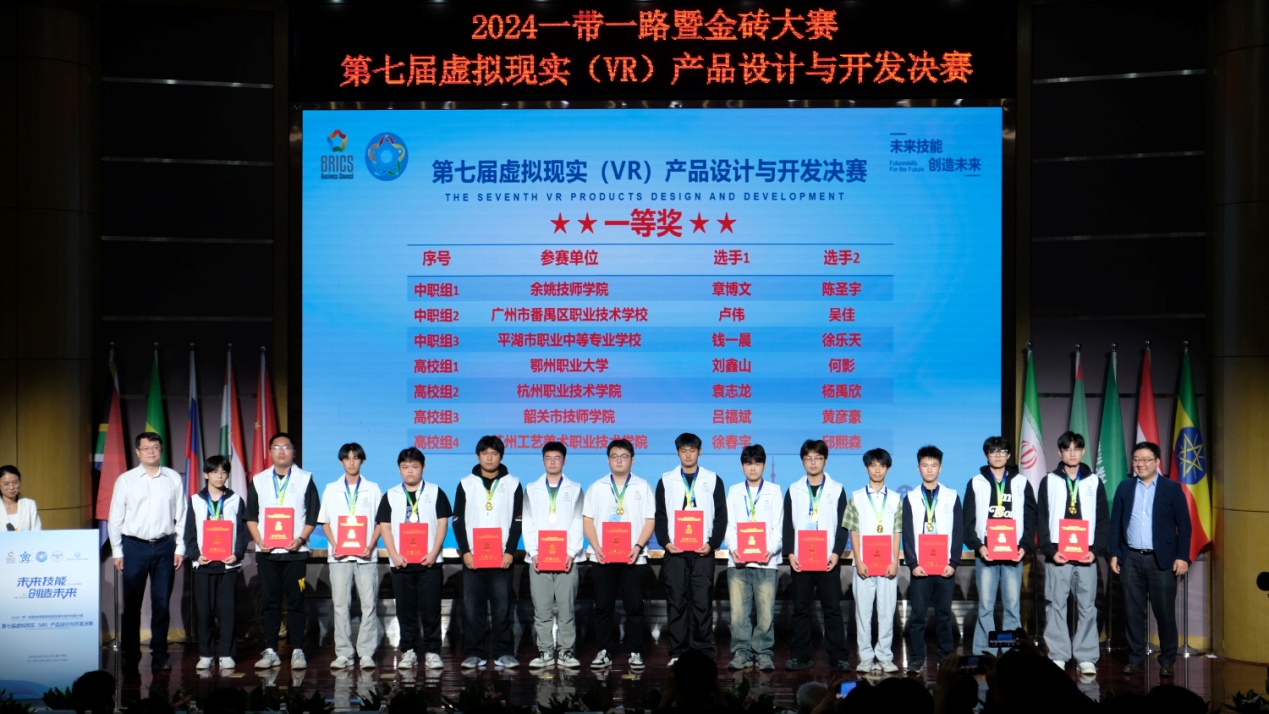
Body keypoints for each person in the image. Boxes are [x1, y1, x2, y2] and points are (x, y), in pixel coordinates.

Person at [107, 432, 188, 675]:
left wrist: (180, 547)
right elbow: (115, 517)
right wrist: (117, 551)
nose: (151, 451)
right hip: (134, 547)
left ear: (161, 450)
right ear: (137, 452)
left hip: (165, 546)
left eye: (155, 447)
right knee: (132, 605)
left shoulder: (173, 478)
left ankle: (160, 655)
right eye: (146, 448)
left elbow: (182, 514)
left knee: (161, 604)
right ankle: (130, 656)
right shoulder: (126, 480)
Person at [1110, 441, 1192, 678]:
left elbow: (1185, 526)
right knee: (1132, 612)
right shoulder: (1125, 487)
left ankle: (1167, 660)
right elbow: (1116, 524)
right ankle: (1135, 658)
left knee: (1164, 612)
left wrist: (1182, 557)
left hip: (1162, 560)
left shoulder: (1172, 488)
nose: (1140, 464)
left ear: (1157, 462)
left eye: (1146, 459)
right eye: (1137, 459)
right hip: (1131, 559)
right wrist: (1115, 553)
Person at [245, 432, 320, 670]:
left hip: (295, 553)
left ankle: (298, 650)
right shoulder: (259, 480)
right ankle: (270, 650)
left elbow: (313, 515)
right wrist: (260, 541)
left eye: (286, 447)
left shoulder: (305, 479)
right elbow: (251, 516)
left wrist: (300, 539)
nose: (281, 451)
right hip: (267, 553)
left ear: (293, 452)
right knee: (270, 602)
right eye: (276, 447)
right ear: (270, 452)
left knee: (296, 601)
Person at [1037, 431, 1108, 675]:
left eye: (1076, 448)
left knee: (1087, 606)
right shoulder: (1049, 481)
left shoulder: (1094, 481)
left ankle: (1086, 657)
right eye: (1067, 449)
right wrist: (1050, 551)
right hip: (1058, 553)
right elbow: (1042, 519)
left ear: (1083, 451)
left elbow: (1103, 520)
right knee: (1056, 604)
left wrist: (1095, 551)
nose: (1072, 453)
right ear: (1060, 453)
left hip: (1086, 554)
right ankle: (1058, 654)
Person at [582, 438, 655, 670]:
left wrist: (638, 546)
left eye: (624, 456)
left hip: (634, 557)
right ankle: (604, 651)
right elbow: (588, 520)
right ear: (608, 460)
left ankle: (635, 651)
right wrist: (596, 546)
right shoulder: (596, 487)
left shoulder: (643, 486)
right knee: (603, 607)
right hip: (603, 557)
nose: (619, 460)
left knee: (635, 607)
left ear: (632, 460)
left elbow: (650, 520)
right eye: (614, 456)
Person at [655, 432, 727, 664]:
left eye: (692, 450)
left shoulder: (713, 479)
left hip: (702, 552)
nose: (688, 454)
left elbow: (721, 516)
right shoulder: (666, 480)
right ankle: (678, 652)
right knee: (676, 603)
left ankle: (703, 652)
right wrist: (665, 542)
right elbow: (660, 516)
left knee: (702, 604)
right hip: (675, 552)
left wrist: (712, 544)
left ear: (700, 451)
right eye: (683, 450)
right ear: (677, 452)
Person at [453, 435, 523, 669]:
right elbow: (457, 520)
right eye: (485, 453)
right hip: (473, 558)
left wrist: (510, 551)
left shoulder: (513, 483)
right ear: (478, 456)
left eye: (494, 453)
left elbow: (518, 520)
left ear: (501, 456)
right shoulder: (466, 483)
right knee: (473, 609)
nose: (489, 458)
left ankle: (503, 652)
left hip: (502, 558)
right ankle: (475, 653)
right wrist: (465, 552)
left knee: (502, 608)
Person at [377, 447, 450, 670]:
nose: (410, 471)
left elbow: (443, 523)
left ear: (423, 468)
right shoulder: (391, 495)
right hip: (402, 563)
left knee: (431, 609)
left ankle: (432, 651)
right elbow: (385, 527)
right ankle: (407, 651)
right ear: (399, 469)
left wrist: (434, 552)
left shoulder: (435, 492)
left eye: (415, 466)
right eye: (405, 467)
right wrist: (394, 555)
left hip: (430, 562)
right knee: (405, 610)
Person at [962, 436, 1037, 656]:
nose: (997, 455)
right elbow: (968, 519)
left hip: (1013, 553)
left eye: (1002, 451)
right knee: (986, 606)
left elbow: (1031, 517)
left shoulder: (1021, 482)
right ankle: (986, 652)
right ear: (986, 455)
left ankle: (1011, 651)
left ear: (1009, 455)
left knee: (1012, 605)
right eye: (993, 451)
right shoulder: (976, 482)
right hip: (986, 552)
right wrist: (978, 546)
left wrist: (1024, 546)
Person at [783, 438, 850, 671]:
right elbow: (787, 524)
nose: (813, 462)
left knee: (832, 609)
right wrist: (790, 553)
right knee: (801, 610)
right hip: (801, 559)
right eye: (808, 458)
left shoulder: (837, 489)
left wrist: (836, 553)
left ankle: (838, 656)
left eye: (818, 458)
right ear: (802, 461)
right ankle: (800, 655)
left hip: (828, 560)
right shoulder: (794, 489)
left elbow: (843, 525)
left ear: (825, 460)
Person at [317, 443, 384, 670]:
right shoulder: (331, 489)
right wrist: (335, 544)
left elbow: (380, 522)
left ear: (362, 460)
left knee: (369, 604)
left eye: (356, 458)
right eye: (348, 458)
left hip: (366, 556)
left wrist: (371, 545)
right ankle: (344, 653)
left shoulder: (373, 488)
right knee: (340, 605)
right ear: (341, 461)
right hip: (339, 557)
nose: (352, 462)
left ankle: (366, 653)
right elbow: (325, 521)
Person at [521, 441, 585, 669]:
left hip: (567, 559)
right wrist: (533, 551)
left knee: (567, 609)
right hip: (539, 559)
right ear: (543, 461)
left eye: (557, 458)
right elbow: (527, 522)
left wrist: (571, 552)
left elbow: (578, 522)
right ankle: (546, 651)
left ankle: (566, 651)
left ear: (564, 461)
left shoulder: (575, 489)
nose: (552, 462)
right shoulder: (531, 489)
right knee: (542, 610)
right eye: (548, 458)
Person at [902, 445, 964, 674]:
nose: (929, 469)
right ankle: (917, 658)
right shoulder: (911, 498)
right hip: (920, 568)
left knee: (944, 616)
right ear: (918, 468)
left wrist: (953, 563)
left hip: (945, 567)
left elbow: (958, 531)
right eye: (925, 465)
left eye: (934, 465)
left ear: (940, 468)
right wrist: (913, 563)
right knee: (917, 617)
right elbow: (907, 533)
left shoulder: (952, 496)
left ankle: (946, 657)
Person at [184, 455, 249, 669]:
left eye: (223, 472)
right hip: (203, 565)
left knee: (228, 611)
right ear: (206, 474)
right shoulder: (195, 500)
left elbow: (242, 533)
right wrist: (196, 555)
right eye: (214, 472)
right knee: (204, 612)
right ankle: (206, 654)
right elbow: (189, 533)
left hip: (228, 565)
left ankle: (227, 654)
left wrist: (237, 554)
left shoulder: (235, 500)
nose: (219, 476)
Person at [723, 444, 783, 671]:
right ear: (742, 466)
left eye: (757, 463)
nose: (753, 467)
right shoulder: (734, 491)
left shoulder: (775, 491)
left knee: (765, 612)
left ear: (764, 466)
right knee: (738, 613)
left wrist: (770, 549)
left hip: (766, 562)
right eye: (748, 463)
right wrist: (733, 548)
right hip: (738, 561)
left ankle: (763, 653)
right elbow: (729, 526)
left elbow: (778, 527)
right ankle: (741, 652)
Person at [845, 448, 903, 674]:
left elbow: (897, 532)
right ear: (866, 468)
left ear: (888, 468)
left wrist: (895, 561)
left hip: (888, 564)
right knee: (863, 613)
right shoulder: (856, 497)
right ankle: (866, 657)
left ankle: (885, 656)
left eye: (882, 465)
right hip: (864, 565)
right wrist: (858, 560)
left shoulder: (896, 498)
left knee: (887, 612)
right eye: (873, 465)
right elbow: (853, 531)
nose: (877, 470)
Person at [0, 465, 40, 531]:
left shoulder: (29, 504)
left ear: (20, 482)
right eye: (6, 484)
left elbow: (37, 531)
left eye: (15, 482)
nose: (11, 487)